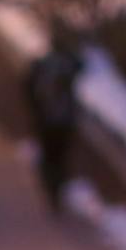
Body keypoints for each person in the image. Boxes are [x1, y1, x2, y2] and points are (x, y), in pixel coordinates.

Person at [24, 27, 85, 213]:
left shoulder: (42, 64)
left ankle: (51, 186)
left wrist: (35, 110)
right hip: (64, 119)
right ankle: (57, 189)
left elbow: (27, 86)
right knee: (60, 155)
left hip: (46, 119)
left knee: (49, 155)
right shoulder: (69, 63)